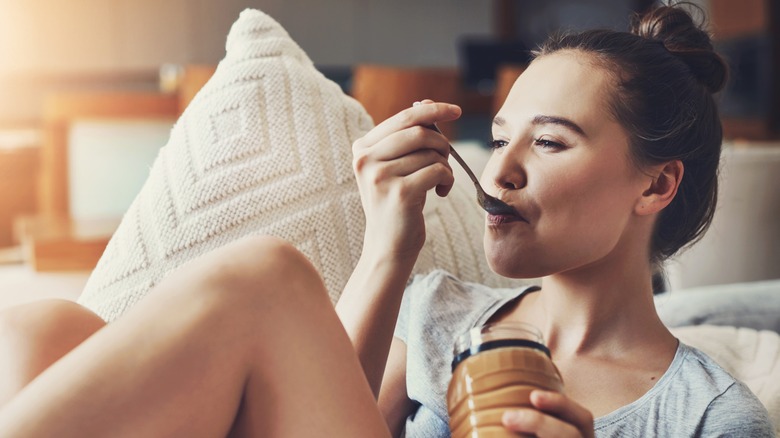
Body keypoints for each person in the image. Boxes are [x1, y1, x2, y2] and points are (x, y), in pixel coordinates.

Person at [0, 3, 774, 437]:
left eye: (548, 142)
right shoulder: (437, 309)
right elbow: (306, 421)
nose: (502, 168)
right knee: (42, 332)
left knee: (267, 276)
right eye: (499, 136)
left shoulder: (710, 413)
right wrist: (385, 249)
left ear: (656, 185)